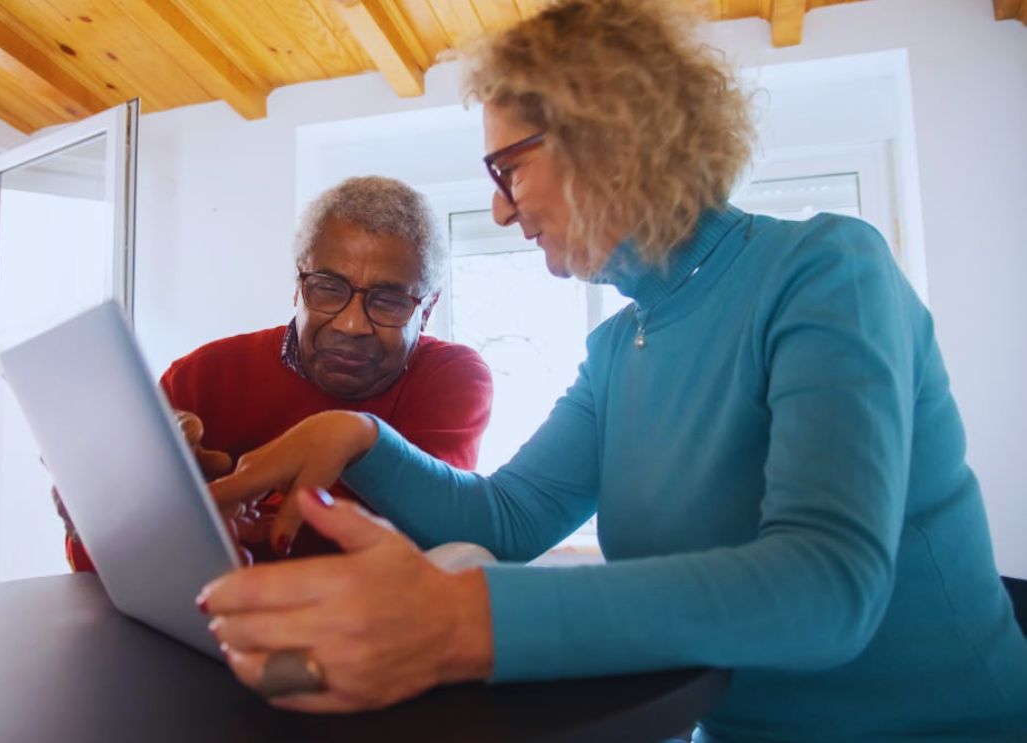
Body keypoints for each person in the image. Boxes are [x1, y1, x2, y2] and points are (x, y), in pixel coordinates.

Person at [196, 0, 1027, 739]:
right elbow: (506, 520)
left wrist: (461, 622)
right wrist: (358, 434)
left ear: (611, 137)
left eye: (508, 167)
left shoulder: (825, 270)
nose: (499, 206)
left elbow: (826, 587)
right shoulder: (615, 348)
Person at [60, 176, 493, 570]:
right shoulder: (201, 377)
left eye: (388, 302)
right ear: (297, 285)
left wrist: (208, 514)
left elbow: (420, 533)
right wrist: (96, 509)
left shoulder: (451, 378)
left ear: (429, 308)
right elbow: (96, 569)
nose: (351, 325)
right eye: (327, 287)